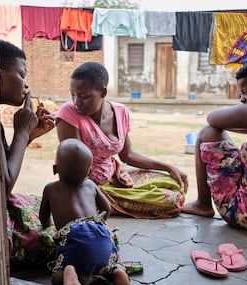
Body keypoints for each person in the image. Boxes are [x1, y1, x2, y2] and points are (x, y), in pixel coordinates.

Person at [55, 62, 188, 219]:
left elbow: (128, 156)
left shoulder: (120, 112)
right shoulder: (68, 113)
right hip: (88, 187)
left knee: (173, 184)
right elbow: (74, 169)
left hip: (114, 174)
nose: (76, 102)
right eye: (73, 95)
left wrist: (169, 167)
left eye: (84, 96)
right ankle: (96, 204)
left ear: (103, 92)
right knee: (172, 201)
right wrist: (97, 195)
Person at [39, 138, 133, 285]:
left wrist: (47, 228)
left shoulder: (50, 188)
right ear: (89, 172)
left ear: (55, 169)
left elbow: (43, 217)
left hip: (72, 236)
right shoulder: (91, 185)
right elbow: (106, 209)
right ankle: (116, 271)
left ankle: (68, 270)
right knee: (108, 264)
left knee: (56, 274)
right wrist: (98, 226)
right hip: (100, 234)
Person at [182, 61, 247, 231]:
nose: (243, 99)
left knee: (208, 133)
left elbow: (213, 118)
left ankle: (203, 203)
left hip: (246, 214)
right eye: (240, 95)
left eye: (246, 92)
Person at [0, 39, 57, 266]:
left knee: (44, 207)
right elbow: (3, 187)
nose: (26, 84)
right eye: (21, 74)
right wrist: (21, 133)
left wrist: (29, 135)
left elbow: (2, 163)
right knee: (60, 238)